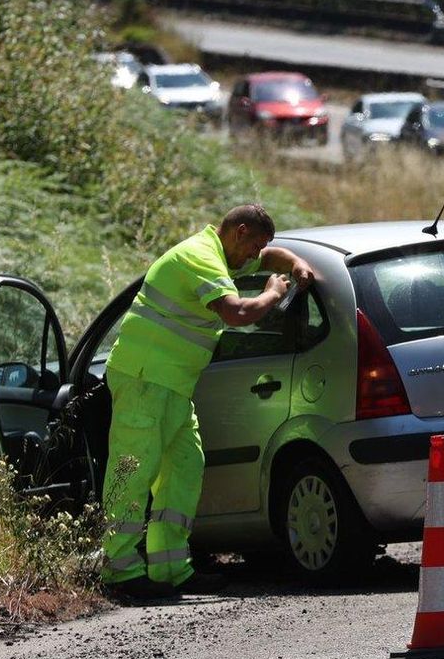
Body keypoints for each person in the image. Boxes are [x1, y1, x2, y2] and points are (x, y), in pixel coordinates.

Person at [99, 204, 313, 599]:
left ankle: (169, 568)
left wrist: (297, 263)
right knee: (132, 469)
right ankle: (120, 571)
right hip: (145, 378)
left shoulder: (224, 254)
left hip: (172, 384)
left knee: (184, 467)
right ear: (239, 232)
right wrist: (271, 293)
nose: (255, 256)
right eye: (253, 246)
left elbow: (270, 255)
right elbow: (236, 312)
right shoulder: (200, 258)